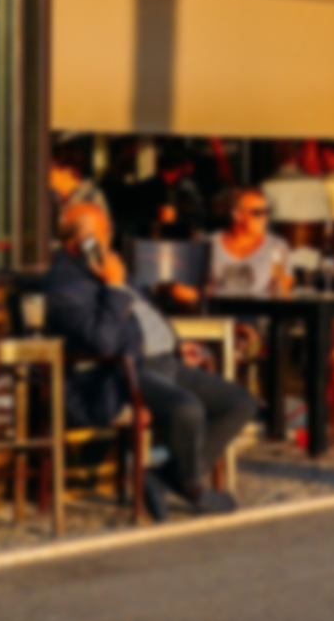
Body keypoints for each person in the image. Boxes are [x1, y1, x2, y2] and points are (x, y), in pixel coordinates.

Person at [46, 202, 257, 517]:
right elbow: (104, 343)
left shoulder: (106, 265)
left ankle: (165, 475)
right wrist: (114, 286)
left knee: (240, 402)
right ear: (80, 242)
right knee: (187, 409)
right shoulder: (67, 285)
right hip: (122, 372)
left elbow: (146, 313)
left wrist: (176, 346)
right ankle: (192, 486)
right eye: (103, 233)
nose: (110, 239)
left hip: (162, 359)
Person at [207, 187, 293, 298]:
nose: (264, 218)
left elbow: (281, 291)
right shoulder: (210, 245)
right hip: (220, 309)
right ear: (237, 214)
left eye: (267, 212)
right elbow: (195, 289)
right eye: (257, 213)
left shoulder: (275, 247)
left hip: (259, 308)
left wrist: (280, 286)